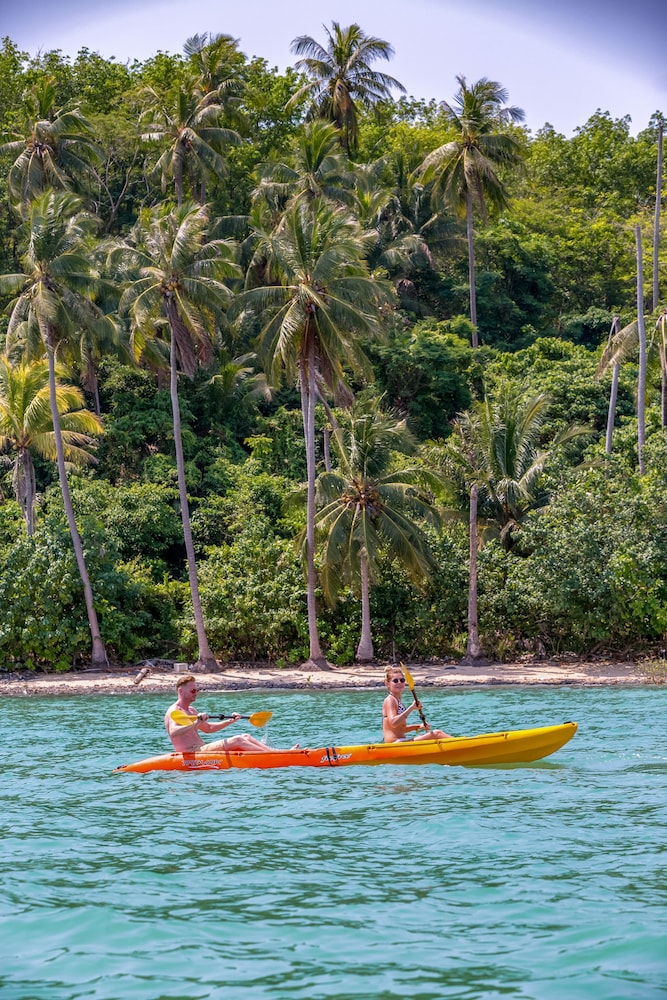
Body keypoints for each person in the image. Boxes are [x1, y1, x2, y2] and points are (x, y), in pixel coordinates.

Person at [165, 674, 299, 752]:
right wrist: (195, 723)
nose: (196, 693)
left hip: (202, 748)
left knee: (245, 736)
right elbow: (173, 732)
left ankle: (280, 753)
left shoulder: (192, 711)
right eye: (193, 691)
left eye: (197, 690)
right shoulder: (175, 710)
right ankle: (278, 756)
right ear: (181, 691)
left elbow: (208, 728)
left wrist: (230, 721)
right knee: (238, 739)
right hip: (192, 752)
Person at [382, 666, 450, 743]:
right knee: (437, 733)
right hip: (395, 744)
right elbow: (393, 723)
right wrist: (411, 708)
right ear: (387, 683)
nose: (399, 683)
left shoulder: (397, 700)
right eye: (395, 681)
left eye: (402, 680)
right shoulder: (390, 700)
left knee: (433, 736)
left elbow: (400, 729)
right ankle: (464, 744)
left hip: (401, 741)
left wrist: (417, 726)